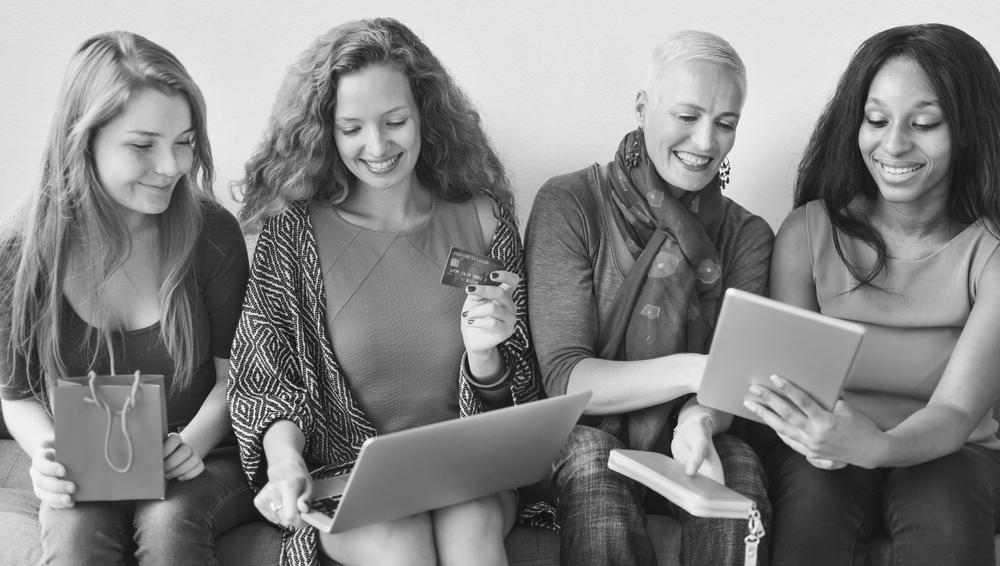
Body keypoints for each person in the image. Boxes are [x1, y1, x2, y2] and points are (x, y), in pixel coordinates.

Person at [227, 18, 541, 566]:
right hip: (344, 476)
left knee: (470, 527)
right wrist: (284, 465)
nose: (376, 146)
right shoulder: (295, 237)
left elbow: (518, 400)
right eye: (352, 129)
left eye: (394, 121)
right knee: (399, 541)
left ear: (425, 114)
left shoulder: (481, 224)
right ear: (327, 131)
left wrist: (485, 355)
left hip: (466, 472)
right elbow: (264, 379)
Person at [743, 23, 1000, 566]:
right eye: (877, 120)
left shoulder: (991, 251)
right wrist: (828, 437)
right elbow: (789, 388)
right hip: (824, 445)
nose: (894, 143)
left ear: (971, 130)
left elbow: (956, 411)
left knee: (945, 512)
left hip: (955, 447)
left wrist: (878, 447)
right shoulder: (807, 232)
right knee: (813, 508)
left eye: (925, 123)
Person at [0, 32, 254, 565]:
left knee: (169, 522)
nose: (173, 165)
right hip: (88, 461)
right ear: (83, 139)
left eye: (184, 141)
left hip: (203, 455)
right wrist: (50, 456)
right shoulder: (23, 253)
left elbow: (239, 379)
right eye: (143, 145)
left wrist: (193, 443)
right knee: (74, 538)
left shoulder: (212, 233)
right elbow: (16, 393)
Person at [525, 30, 773, 566]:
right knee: (594, 458)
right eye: (687, 116)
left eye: (726, 124)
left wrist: (698, 421)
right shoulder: (570, 203)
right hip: (584, 436)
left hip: (688, 424)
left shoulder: (748, 236)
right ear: (643, 108)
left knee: (741, 466)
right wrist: (694, 370)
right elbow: (565, 377)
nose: (706, 142)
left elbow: (730, 386)